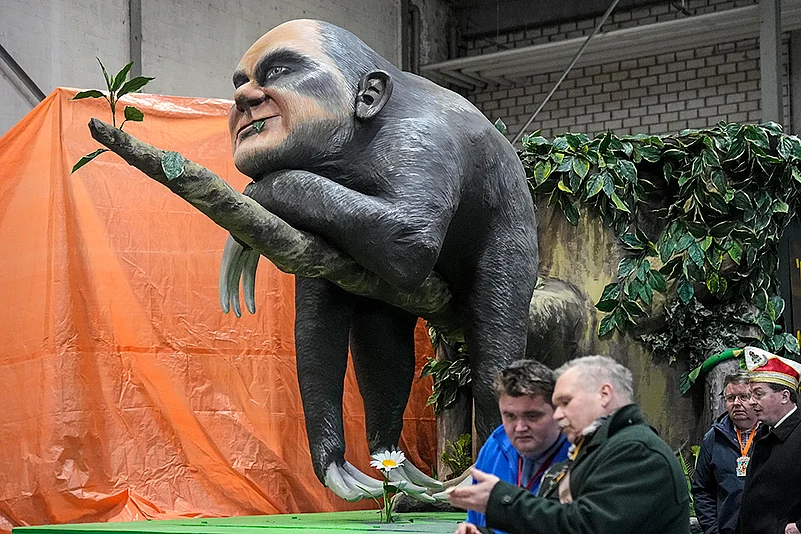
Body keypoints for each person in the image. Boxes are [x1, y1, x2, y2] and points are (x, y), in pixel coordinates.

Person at [447, 355, 690, 534]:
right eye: (509, 415)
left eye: (565, 402)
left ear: (604, 394)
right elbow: (553, 525)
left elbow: (586, 528)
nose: (558, 415)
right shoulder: (598, 450)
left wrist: (502, 500)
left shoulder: (637, 452)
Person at [465, 360, 570, 531]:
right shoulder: (495, 446)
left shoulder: (581, 455)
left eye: (532, 416)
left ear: (557, 411)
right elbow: (475, 521)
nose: (520, 428)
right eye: (510, 416)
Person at [737, 346, 801, 534]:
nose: (751, 402)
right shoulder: (764, 431)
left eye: (758, 394)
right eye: (751, 396)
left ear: (784, 396)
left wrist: (797, 527)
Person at [692, 371, 760, 534]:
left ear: (757, 399)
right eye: (730, 398)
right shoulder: (714, 437)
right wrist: (713, 530)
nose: (736, 403)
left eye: (743, 397)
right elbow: (702, 489)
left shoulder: (771, 434)